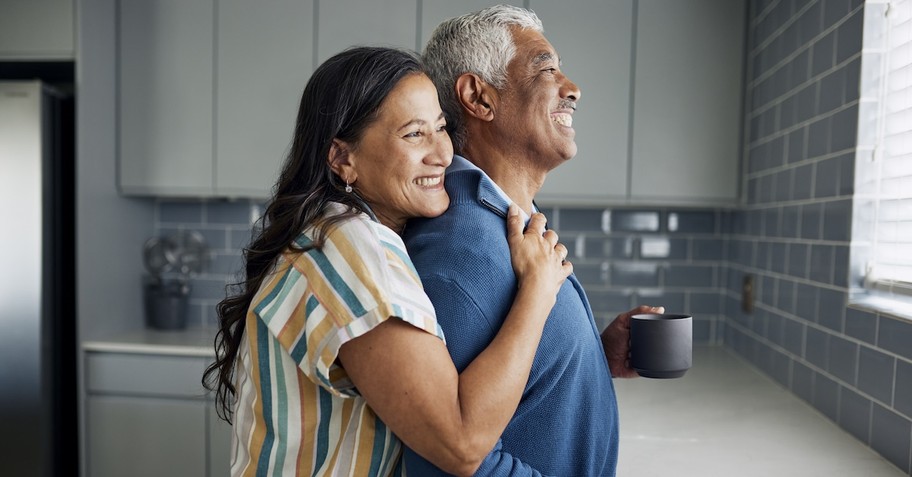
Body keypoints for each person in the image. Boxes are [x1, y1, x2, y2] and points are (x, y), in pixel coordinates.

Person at [202, 46, 575, 477]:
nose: (443, 154)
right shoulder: (352, 251)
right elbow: (462, 443)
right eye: (414, 134)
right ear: (343, 158)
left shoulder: (340, 234)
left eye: (441, 127)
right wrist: (537, 292)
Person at [402, 5, 664, 476]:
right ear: (479, 98)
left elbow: (512, 389)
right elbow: (449, 458)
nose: (573, 88)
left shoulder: (507, 224)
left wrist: (593, 358)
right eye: (545, 68)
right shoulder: (460, 250)